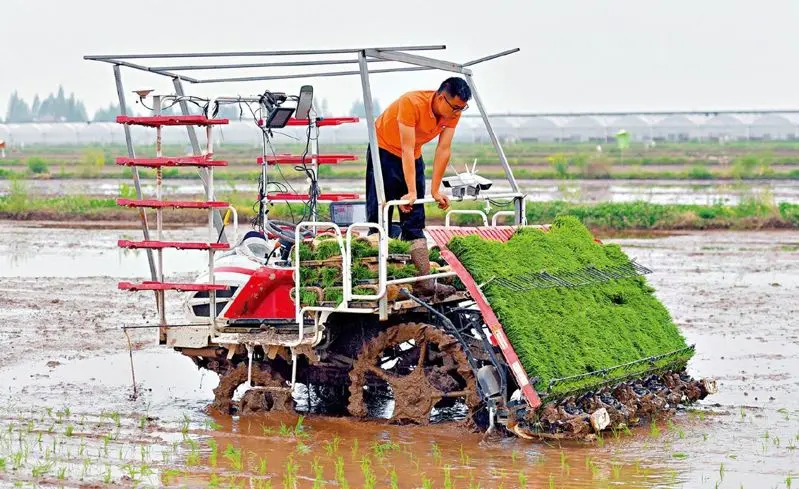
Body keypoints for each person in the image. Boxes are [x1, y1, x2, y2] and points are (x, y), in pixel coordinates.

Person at [365, 77, 472, 298]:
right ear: (442, 98)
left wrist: (434, 190)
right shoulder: (411, 103)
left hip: (413, 156)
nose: (457, 113)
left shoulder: (453, 111)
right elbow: (405, 147)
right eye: (455, 108)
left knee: (415, 219)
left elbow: (443, 149)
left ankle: (423, 282)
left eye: (462, 108)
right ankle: (376, 281)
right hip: (383, 151)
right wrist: (411, 192)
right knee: (380, 214)